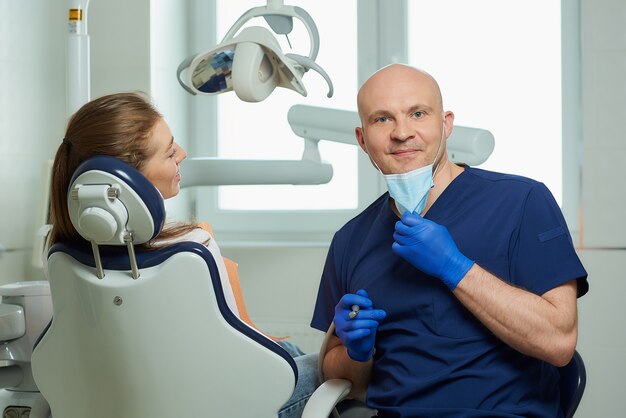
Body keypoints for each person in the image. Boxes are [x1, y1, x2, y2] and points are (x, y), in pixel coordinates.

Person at [310, 64, 589, 418]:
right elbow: (338, 377)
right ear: (363, 140)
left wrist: (455, 267)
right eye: (382, 119)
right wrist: (356, 353)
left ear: (446, 124)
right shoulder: (351, 239)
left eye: (418, 113)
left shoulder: (522, 201)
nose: (402, 132)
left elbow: (559, 342)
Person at [48, 92, 317, 418]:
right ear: (128, 179)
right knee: (331, 364)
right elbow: (235, 358)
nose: (183, 154)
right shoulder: (192, 249)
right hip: (227, 403)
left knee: (290, 350)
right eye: (170, 151)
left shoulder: (62, 256)